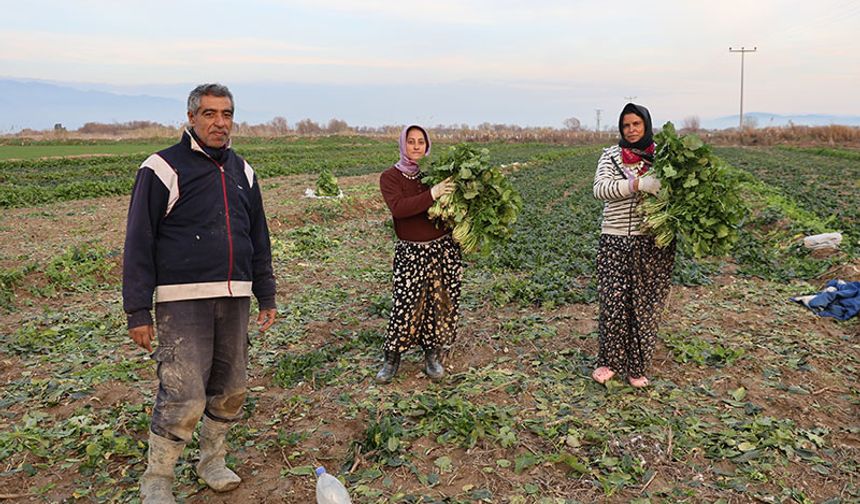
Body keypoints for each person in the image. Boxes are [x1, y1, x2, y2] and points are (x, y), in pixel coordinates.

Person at [123, 83, 277, 503]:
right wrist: (138, 310)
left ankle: (211, 458)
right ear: (191, 118)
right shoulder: (162, 168)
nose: (219, 123)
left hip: (235, 296)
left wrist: (266, 293)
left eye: (226, 114)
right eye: (209, 114)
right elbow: (139, 240)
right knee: (184, 392)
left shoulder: (244, 171)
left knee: (232, 387)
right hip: (182, 298)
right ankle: (158, 478)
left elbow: (257, 236)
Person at [591, 103, 675, 388]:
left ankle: (636, 366)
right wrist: (637, 185)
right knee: (614, 301)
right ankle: (608, 361)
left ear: (646, 125)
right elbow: (600, 189)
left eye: (637, 124)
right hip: (614, 238)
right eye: (626, 125)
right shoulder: (612, 156)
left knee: (645, 305)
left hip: (652, 242)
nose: (632, 130)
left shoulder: (662, 157)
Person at [376, 125, 460, 384]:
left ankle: (431, 357)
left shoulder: (432, 175)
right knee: (405, 306)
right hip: (410, 253)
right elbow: (400, 209)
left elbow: (446, 214)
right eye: (410, 141)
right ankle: (392, 359)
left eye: (420, 142)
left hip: (440, 250)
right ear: (402, 144)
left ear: (427, 146)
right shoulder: (390, 177)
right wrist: (431, 194)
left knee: (437, 305)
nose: (415, 146)